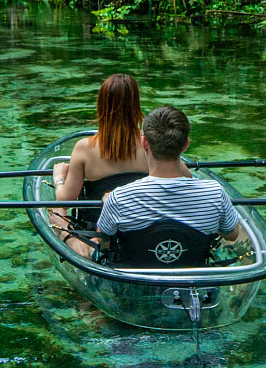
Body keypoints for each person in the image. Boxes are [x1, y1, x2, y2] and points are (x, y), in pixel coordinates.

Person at [79, 105, 248, 262]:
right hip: (194, 278)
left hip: (135, 280)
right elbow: (232, 235)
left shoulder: (119, 198)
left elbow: (103, 238)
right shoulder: (215, 193)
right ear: (185, 145)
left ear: (145, 143)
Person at [50, 73, 148, 238]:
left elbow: (65, 200)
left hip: (98, 234)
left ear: (101, 106)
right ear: (136, 106)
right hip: (142, 229)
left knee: (55, 209)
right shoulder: (152, 143)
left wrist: (59, 178)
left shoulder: (85, 147)